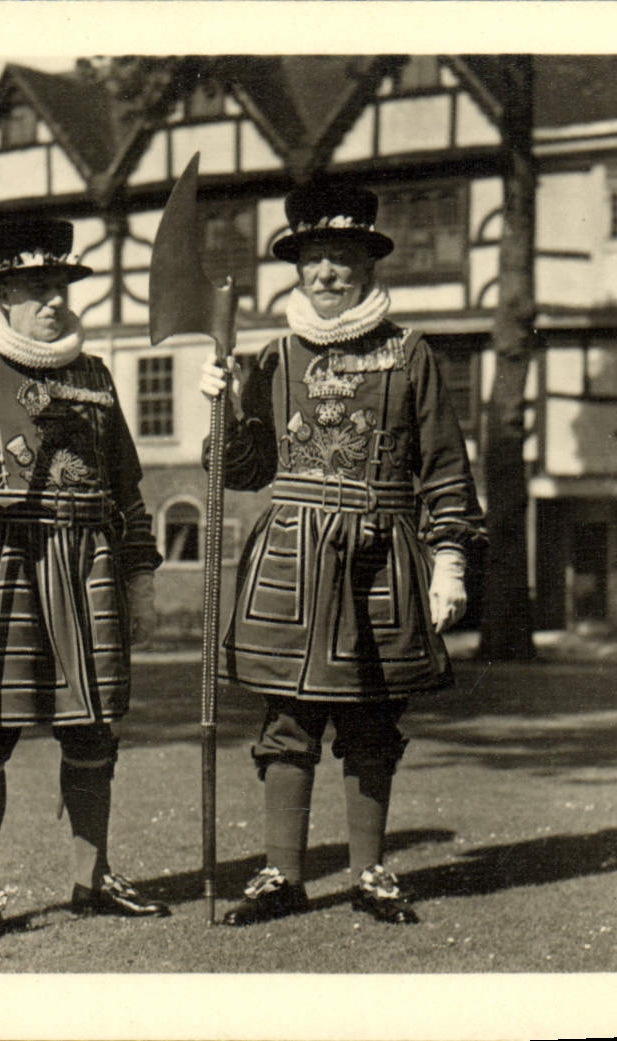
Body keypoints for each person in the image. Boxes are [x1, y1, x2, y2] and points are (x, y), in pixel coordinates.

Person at [199, 183, 486, 926]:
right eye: (313, 258)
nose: (327, 272)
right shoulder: (272, 357)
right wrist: (223, 407)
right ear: (297, 270)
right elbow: (244, 470)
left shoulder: (410, 353)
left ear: (368, 264)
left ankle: (369, 872)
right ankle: (282, 875)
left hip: (379, 553)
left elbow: (445, 468)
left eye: (342, 257)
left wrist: (450, 560)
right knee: (288, 718)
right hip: (290, 558)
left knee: (371, 719)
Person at [0, 218, 170, 929]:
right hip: (5, 561)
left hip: (88, 564)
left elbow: (126, 488)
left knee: (93, 731)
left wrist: (141, 578)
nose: (53, 301)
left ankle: (93, 877)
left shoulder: (95, 375)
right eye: (35, 288)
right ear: (2, 294)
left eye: (60, 286)